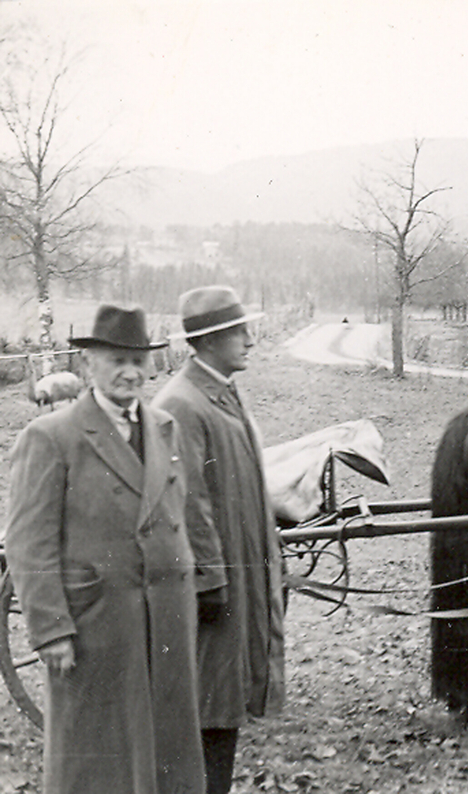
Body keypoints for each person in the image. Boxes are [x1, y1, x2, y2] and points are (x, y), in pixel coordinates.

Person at [4, 304, 205, 794]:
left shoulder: (163, 428)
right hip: (95, 627)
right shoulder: (52, 437)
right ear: (89, 364)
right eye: (116, 360)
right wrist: (51, 629)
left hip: (166, 622)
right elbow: (29, 543)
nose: (130, 372)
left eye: (139, 361)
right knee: (98, 756)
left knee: (165, 751)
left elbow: (178, 513)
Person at [151, 285, 285, 794]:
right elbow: (187, 501)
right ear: (207, 342)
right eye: (239, 332)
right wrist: (209, 584)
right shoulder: (183, 404)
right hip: (211, 594)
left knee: (223, 706)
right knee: (209, 706)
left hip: (236, 580)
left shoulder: (224, 391)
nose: (250, 340)